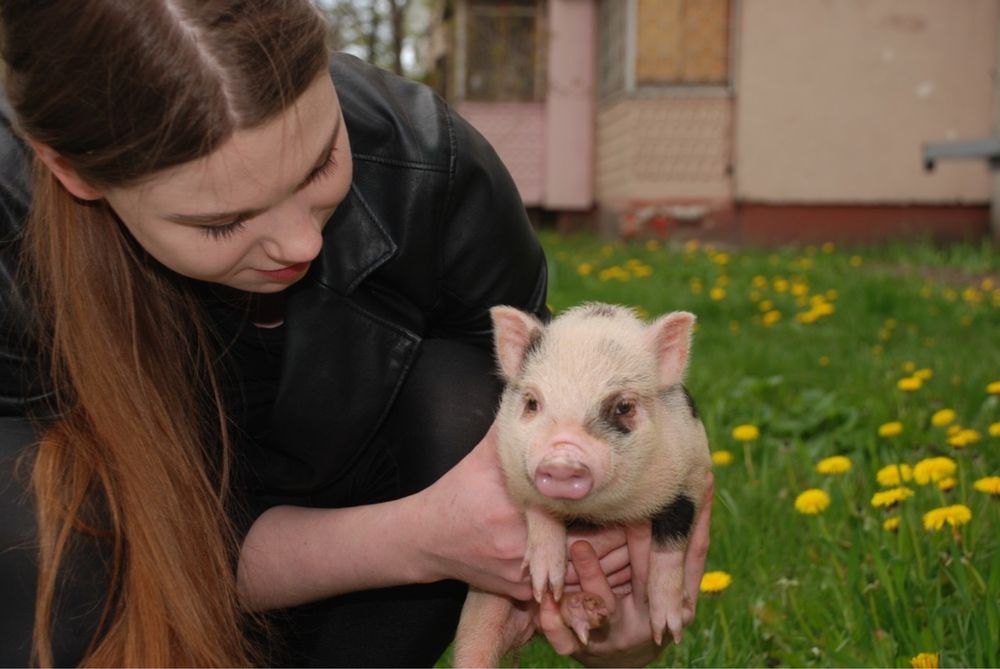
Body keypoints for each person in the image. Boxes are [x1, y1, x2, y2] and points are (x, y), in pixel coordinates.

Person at [0, 1, 713, 666]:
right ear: (70, 171)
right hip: (128, 608)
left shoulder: (431, 161)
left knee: (474, 400)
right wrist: (419, 538)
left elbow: (571, 393)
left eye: (320, 164)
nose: (298, 243)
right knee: (32, 507)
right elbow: (88, 569)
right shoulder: (13, 234)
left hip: (356, 615)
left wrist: (612, 574)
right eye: (221, 222)